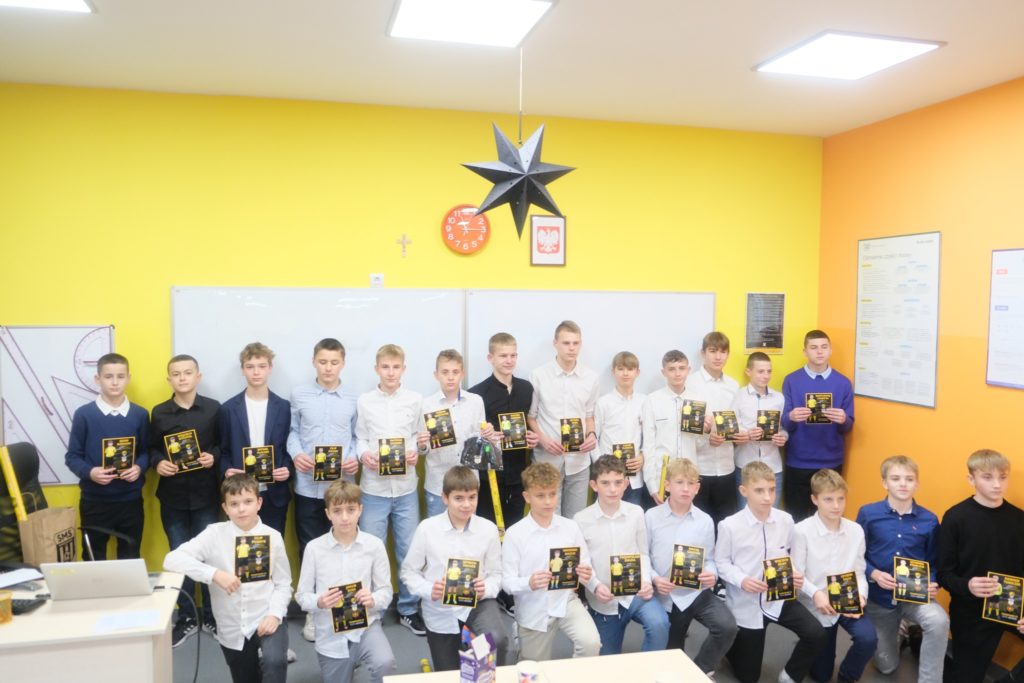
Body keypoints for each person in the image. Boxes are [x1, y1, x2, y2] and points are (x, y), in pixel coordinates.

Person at [164, 474, 292, 683]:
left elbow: (283, 584)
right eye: (234, 504)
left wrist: (275, 615)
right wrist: (213, 574)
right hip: (231, 624)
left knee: (275, 663)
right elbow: (172, 560)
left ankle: (273, 655)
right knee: (245, 678)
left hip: (266, 615)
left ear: (259, 503)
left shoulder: (273, 537)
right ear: (225, 508)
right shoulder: (214, 534)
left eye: (248, 501)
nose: (241, 509)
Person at [716, 461, 826, 683]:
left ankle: (790, 675)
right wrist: (742, 580)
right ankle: (731, 646)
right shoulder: (729, 525)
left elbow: (789, 557)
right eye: (759, 490)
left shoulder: (786, 520)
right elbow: (721, 563)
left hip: (778, 598)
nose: (767, 497)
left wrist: (801, 580)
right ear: (743, 491)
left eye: (772, 489)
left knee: (816, 633)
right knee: (749, 677)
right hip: (746, 602)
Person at [400, 466, 508, 671]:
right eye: (459, 498)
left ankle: (483, 669)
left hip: (478, 604)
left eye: (472, 497)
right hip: (440, 608)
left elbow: (497, 574)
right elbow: (409, 572)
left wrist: (485, 588)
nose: (466, 505)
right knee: (449, 673)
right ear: (444, 497)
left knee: (494, 641)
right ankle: (464, 657)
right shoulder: (427, 529)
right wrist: (430, 590)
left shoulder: (488, 529)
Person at [287, 338, 359, 641]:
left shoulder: (355, 397)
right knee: (310, 549)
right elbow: (292, 432)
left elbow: (358, 436)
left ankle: (346, 608)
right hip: (307, 486)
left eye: (334, 362)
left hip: (341, 489)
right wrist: (296, 454)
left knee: (345, 548)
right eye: (323, 362)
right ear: (314, 362)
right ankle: (313, 613)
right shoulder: (299, 394)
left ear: (343, 363)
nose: (328, 368)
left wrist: (354, 457)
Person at [149, 354, 222, 643]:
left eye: (187, 372)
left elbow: (222, 445)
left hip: (207, 495)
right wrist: (158, 463)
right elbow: (152, 448)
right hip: (173, 496)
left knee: (209, 556)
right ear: (169, 379)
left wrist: (212, 456)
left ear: (197, 377)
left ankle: (212, 616)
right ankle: (187, 617)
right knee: (179, 556)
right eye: (176, 374)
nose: (182, 378)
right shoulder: (159, 413)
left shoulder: (214, 409)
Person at [856, 455, 947, 683]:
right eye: (896, 479)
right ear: (884, 483)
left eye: (909, 479)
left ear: (917, 483)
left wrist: (932, 582)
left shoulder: (929, 519)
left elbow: (933, 561)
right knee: (886, 667)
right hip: (879, 599)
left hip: (914, 597)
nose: (903, 484)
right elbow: (855, 556)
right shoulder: (868, 514)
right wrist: (873, 573)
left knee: (939, 621)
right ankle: (900, 629)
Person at [296, 480, 396, 683]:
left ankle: (359, 658)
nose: (344, 517)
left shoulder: (374, 545)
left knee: (385, 662)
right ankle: (349, 665)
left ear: (360, 510)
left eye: (351, 510)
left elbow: (386, 591)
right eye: (337, 511)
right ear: (327, 514)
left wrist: (373, 599)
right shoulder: (314, 549)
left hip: (366, 626)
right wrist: (319, 601)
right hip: (330, 633)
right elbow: (301, 596)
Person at [937, 449, 1024, 683]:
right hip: (971, 610)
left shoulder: (1020, 519)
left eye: (1003, 477)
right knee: (966, 677)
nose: (997, 484)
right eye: (987, 477)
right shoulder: (955, 517)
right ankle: (918, 641)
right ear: (971, 479)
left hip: (1013, 605)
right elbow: (944, 574)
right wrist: (968, 585)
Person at [355, 344, 424, 635]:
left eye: (396, 367)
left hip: (406, 488)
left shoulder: (415, 400)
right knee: (372, 551)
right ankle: (374, 611)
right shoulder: (364, 401)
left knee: (408, 551)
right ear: (377, 369)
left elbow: (420, 436)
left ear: (403, 369)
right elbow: (359, 437)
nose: (391, 373)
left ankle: (408, 608)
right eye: (385, 367)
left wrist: (417, 451)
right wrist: (363, 455)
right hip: (373, 489)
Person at [646, 457, 737, 676]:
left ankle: (701, 670)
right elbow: (643, 556)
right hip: (665, 595)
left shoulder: (705, 520)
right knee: (673, 657)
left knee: (727, 627)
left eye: (691, 483)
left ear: (697, 488)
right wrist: (655, 579)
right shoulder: (651, 517)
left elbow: (711, 559)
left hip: (695, 593)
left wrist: (711, 574)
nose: (685, 489)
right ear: (667, 485)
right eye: (679, 482)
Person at [502, 462, 601, 661]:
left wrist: (591, 579)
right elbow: (506, 582)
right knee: (533, 668)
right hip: (533, 607)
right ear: (527, 497)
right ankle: (519, 632)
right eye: (540, 496)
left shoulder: (570, 527)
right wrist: (528, 582)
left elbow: (585, 564)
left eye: (552, 494)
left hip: (565, 599)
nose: (548, 501)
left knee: (591, 643)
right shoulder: (515, 534)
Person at [573, 455, 669, 655]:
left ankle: (650, 669)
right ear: (594, 485)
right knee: (608, 662)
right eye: (605, 483)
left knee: (659, 624)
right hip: (604, 600)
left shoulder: (636, 512)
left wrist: (645, 581)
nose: (613, 489)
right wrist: (595, 586)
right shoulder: (580, 519)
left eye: (618, 482)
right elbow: (583, 564)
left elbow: (643, 553)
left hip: (636, 593)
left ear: (626, 484)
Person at [792, 469, 876, 683]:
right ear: (815, 499)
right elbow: (797, 575)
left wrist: (861, 596)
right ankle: (810, 644)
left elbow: (859, 571)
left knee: (868, 639)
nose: (836, 506)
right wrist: (815, 594)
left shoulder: (856, 530)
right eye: (828, 499)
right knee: (821, 675)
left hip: (847, 598)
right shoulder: (801, 531)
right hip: (816, 602)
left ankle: (847, 676)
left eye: (841, 499)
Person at [64, 352, 149, 560]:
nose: (115, 382)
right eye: (108, 376)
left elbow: (146, 451)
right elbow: (72, 456)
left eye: (120, 376)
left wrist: (139, 467)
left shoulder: (140, 414)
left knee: (130, 557)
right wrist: (90, 472)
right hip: (94, 501)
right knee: (93, 558)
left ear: (128, 378)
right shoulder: (84, 414)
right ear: (98, 379)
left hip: (130, 500)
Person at [528, 320, 599, 518]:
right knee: (548, 517)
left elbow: (589, 415)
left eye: (576, 343)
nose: (571, 348)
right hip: (547, 459)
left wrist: (591, 434)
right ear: (555, 343)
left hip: (579, 461)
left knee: (576, 519)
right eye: (566, 343)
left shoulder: (591, 377)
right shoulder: (538, 375)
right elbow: (531, 417)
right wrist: (543, 439)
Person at [220, 342, 293, 534]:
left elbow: (288, 447)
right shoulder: (228, 409)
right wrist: (226, 470)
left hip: (274, 493)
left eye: (261, 366)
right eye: (250, 367)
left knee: (273, 545)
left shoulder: (283, 407)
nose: (256, 372)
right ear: (242, 370)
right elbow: (223, 450)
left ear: (270, 368)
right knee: (240, 546)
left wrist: (287, 469)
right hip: (240, 495)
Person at [468, 332, 539, 528]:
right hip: (489, 475)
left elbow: (529, 423)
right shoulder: (476, 394)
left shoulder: (526, 389)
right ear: (490, 358)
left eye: (513, 355)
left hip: (518, 473)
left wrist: (533, 438)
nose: (509, 360)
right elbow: (470, 439)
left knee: (516, 527)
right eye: (503, 356)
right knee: (488, 528)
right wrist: (485, 437)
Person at [781, 330, 854, 520]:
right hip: (798, 461)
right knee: (796, 517)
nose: (819, 352)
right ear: (805, 351)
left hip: (831, 461)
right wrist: (791, 416)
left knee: (829, 516)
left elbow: (848, 426)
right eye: (813, 347)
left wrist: (843, 419)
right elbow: (784, 423)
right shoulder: (791, 380)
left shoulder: (843, 383)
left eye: (824, 347)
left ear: (830, 350)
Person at [419, 349, 495, 518]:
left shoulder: (476, 401)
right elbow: (422, 450)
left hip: (469, 484)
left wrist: (488, 436)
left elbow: (482, 443)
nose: (450, 377)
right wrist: (422, 445)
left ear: (462, 374)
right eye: (445, 372)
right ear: (436, 375)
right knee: (437, 532)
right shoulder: (426, 405)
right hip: (437, 485)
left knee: (467, 531)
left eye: (455, 372)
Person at [687, 331, 740, 528]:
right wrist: (706, 435)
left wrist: (740, 435)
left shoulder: (733, 385)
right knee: (698, 526)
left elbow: (736, 421)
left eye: (723, 352)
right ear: (703, 353)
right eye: (713, 351)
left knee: (724, 525)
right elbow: (686, 426)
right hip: (699, 467)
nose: (718, 357)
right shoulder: (690, 383)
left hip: (726, 466)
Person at [641, 350, 703, 504]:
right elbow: (648, 444)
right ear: (664, 372)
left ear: (688, 370)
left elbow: (700, 444)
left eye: (682, 368)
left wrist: (706, 430)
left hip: (689, 476)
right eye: (672, 369)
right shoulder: (652, 400)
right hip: (662, 476)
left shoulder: (697, 400)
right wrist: (652, 485)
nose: (677, 373)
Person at [731, 351, 788, 508]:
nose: (766, 376)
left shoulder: (779, 398)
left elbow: (784, 428)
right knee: (745, 514)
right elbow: (732, 428)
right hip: (745, 466)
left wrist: (783, 437)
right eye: (760, 371)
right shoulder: (738, 396)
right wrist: (746, 433)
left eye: (769, 371)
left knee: (772, 513)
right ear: (748, 371)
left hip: (773, 466)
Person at [595, 351, 650, 508]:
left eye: (630, 369)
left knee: (632, 516)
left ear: (637, 372)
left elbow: (650, 437)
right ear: (613, 371)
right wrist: (601, 466)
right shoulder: (603, 403)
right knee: (605, 516)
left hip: (634, 477)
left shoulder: (645, 402)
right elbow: (593, 439)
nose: (625, 373)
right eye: (620, 369)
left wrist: (643, 457)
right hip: (607, 476)